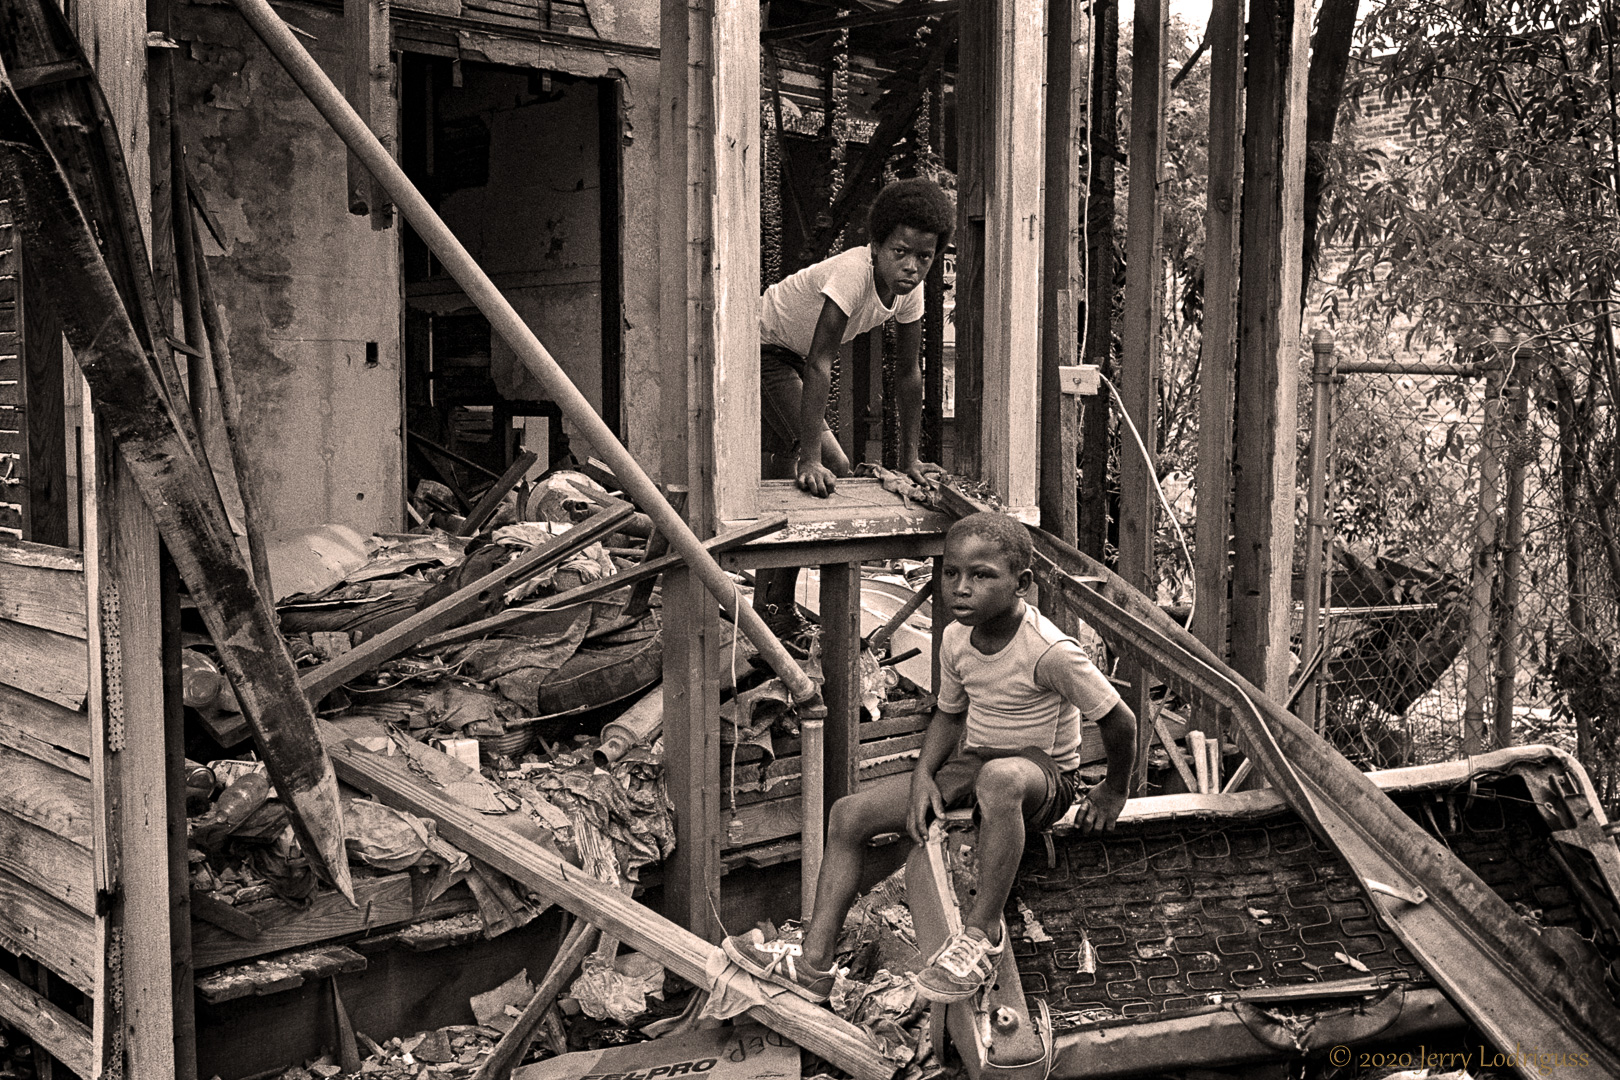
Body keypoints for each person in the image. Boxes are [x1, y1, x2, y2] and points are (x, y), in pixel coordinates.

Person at [723, 512, 1139, 1003]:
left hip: (1042, 774)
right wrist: (923, 776)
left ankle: (982, 936)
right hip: (976, 763)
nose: (961, 588)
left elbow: (1121, 721)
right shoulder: (957, 638)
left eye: (982, 576)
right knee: (848, 815)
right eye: (951, 574)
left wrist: (1113, 790)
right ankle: (814, 964)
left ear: (1021, 583)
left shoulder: (1050, 651)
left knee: (1001, 780)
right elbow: (948, 715)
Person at [754, 178, 954, 650]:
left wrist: (909, 460)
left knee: (796, 483)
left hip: (791, 357)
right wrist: (808, 456)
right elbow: (820, 361)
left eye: (923, 258)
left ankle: (772, 613)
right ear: (877, 245)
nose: (910, 267)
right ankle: (777, 611)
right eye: (900, 252)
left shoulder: (910, 292)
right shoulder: (852, 272)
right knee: (831, 468)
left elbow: (908, 375)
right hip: (759, 349)